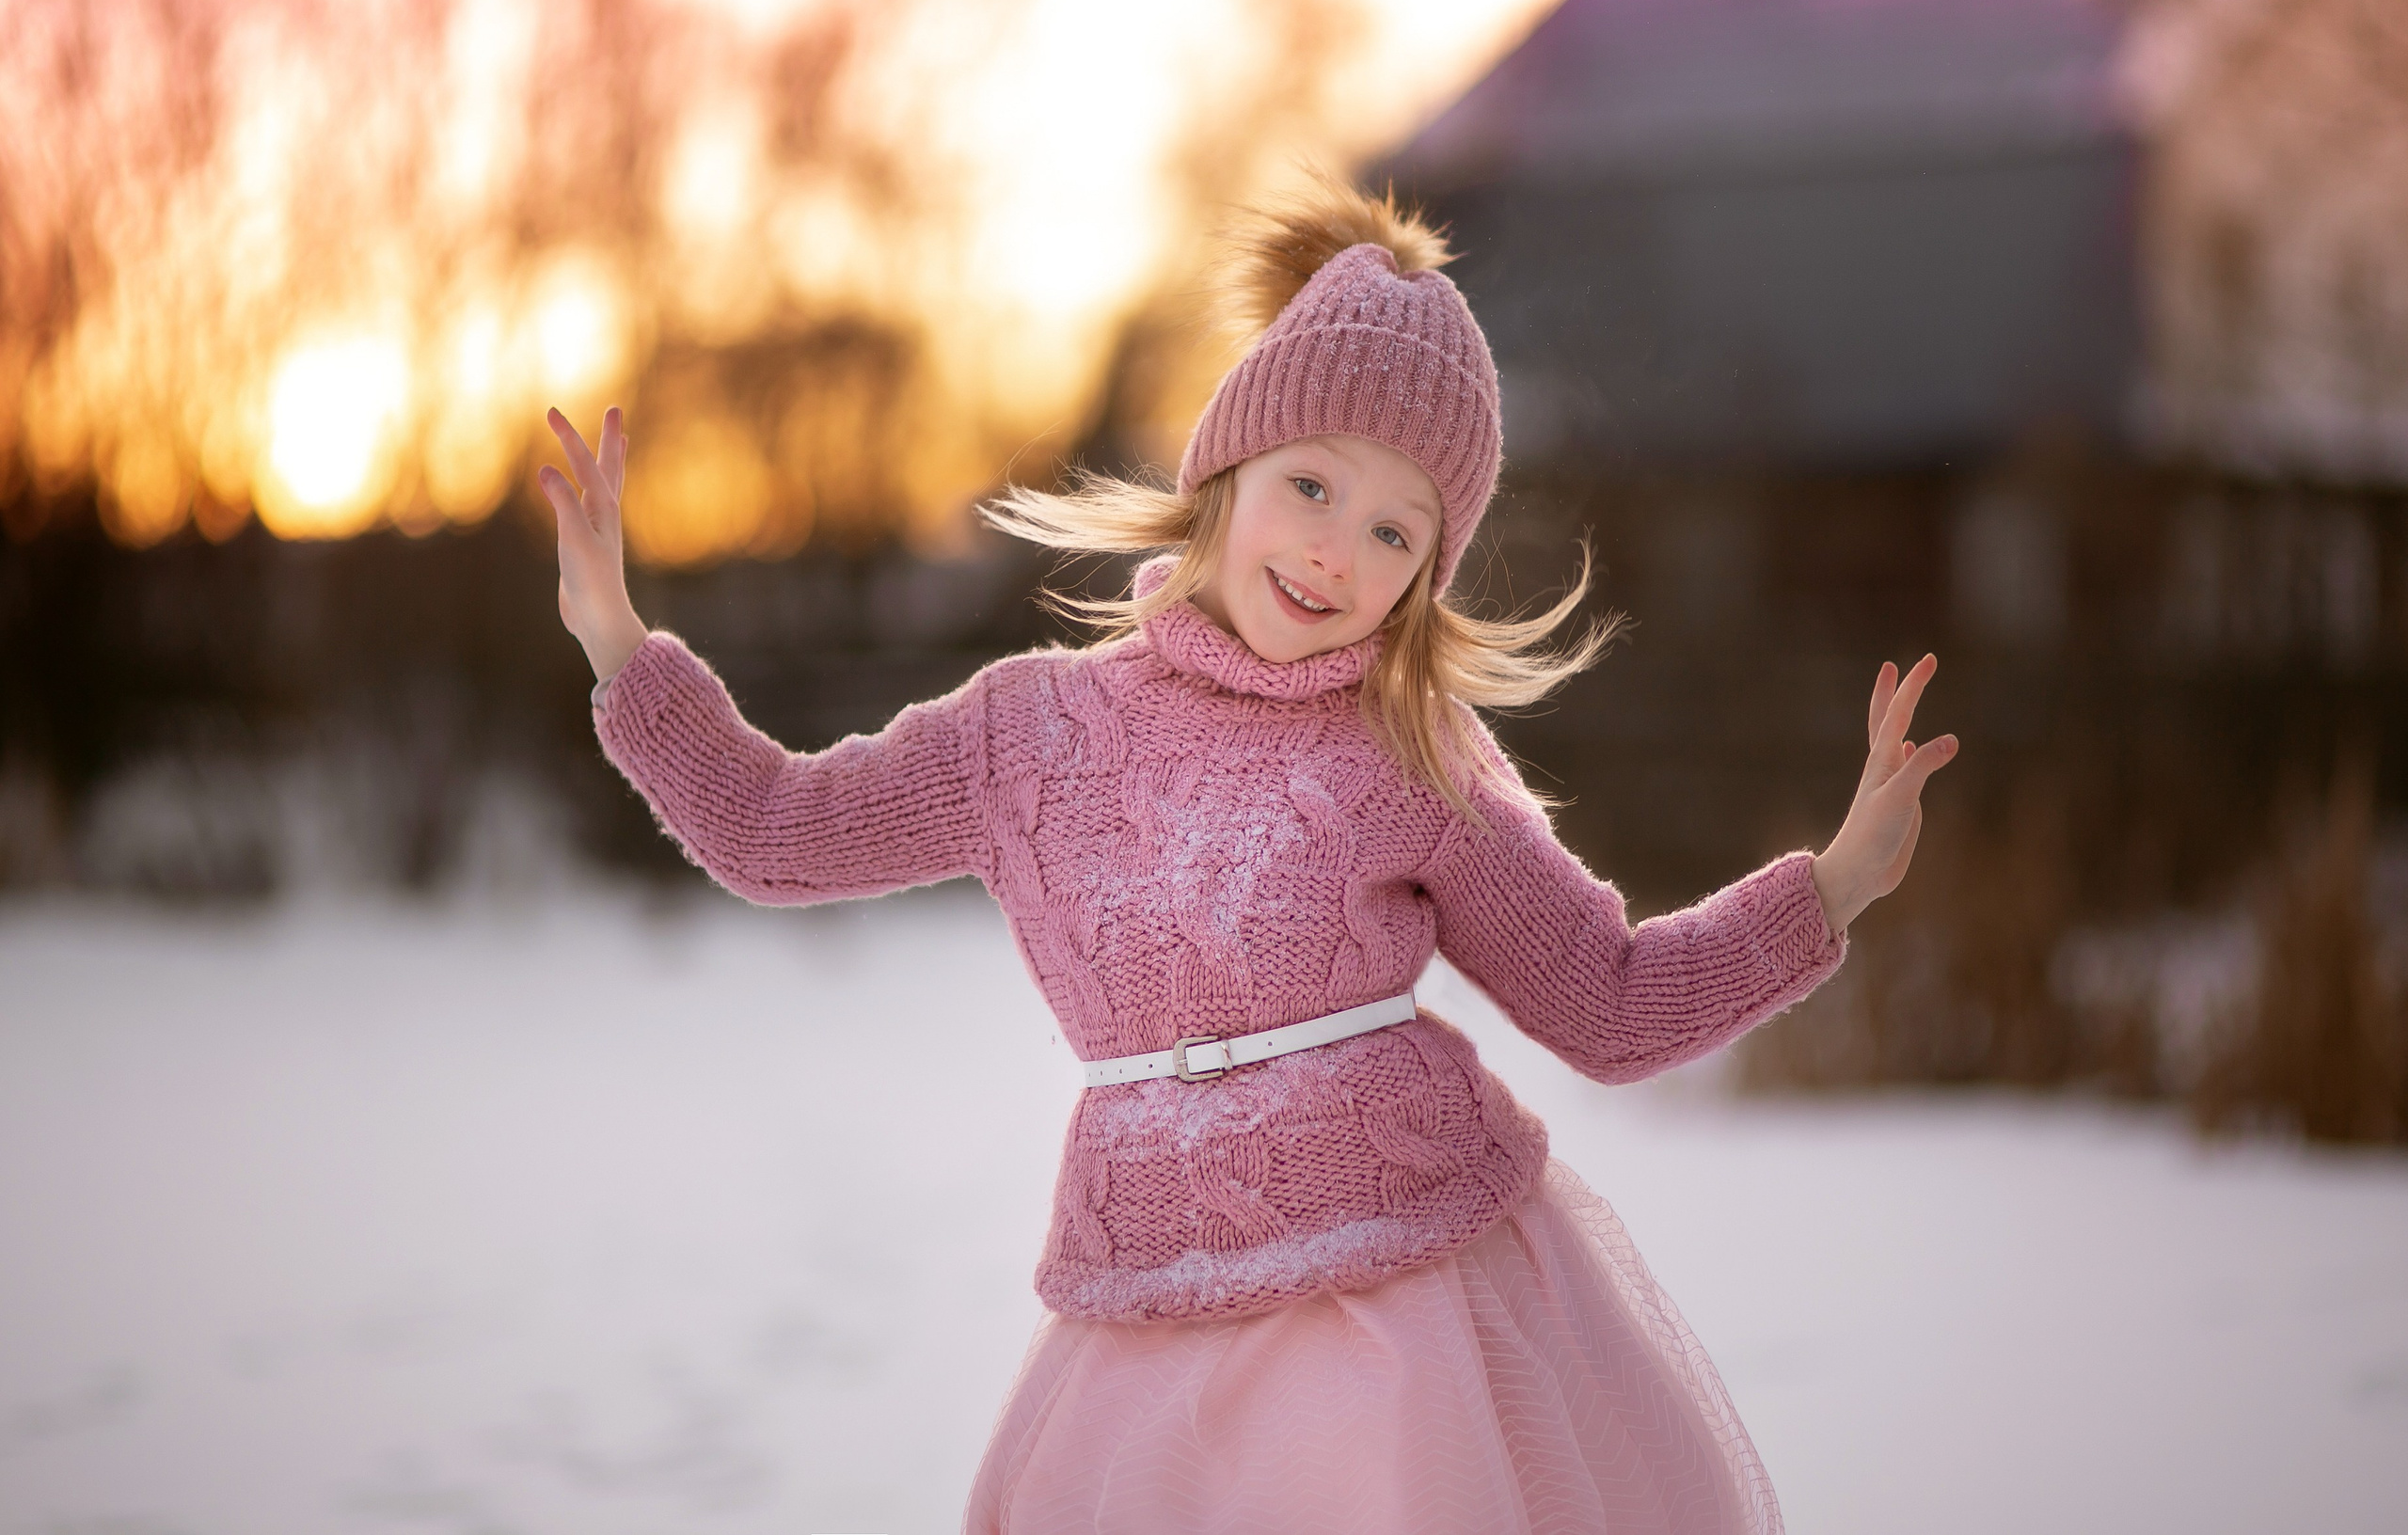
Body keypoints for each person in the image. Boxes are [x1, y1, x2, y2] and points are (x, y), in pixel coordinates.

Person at [536, 178, 1957, 1535]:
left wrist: (1831, 884)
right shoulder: (1031, 732)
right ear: (1226, 466)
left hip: (1404, 1337)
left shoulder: (1414, 750)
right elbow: (778, 832)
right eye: (1313, 486)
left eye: (1398, 529)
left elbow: (1609, 999)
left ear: (1427, 577)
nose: (1341, 551)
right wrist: (616, 637)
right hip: (1146, 1325)